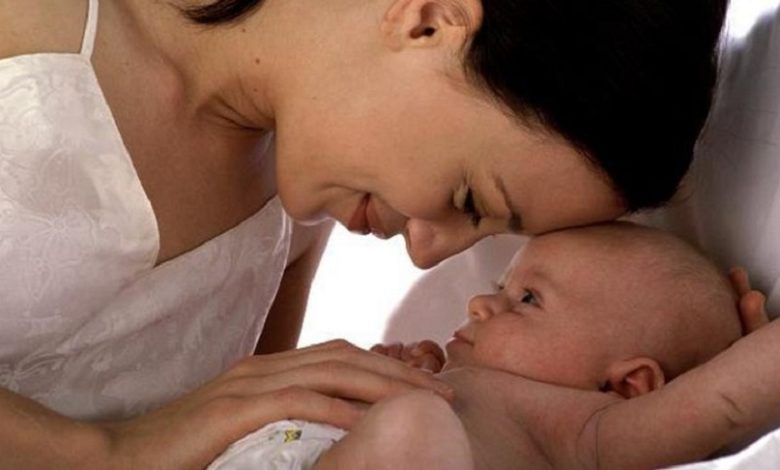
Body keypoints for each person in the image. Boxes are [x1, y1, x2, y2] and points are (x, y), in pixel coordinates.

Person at [0, 0, 735, 468]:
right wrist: (104, 451)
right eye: (468, 198)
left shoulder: (291, 223)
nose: (425, 250)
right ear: (429, 21)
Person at [207, 222, 747, 469]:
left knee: (415, 426)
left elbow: (725, 401)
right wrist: (380, 379)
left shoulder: (593, 432)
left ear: (629, 384)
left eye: (528, 299)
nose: (480, 304)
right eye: (499, 287)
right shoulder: (441, 381)